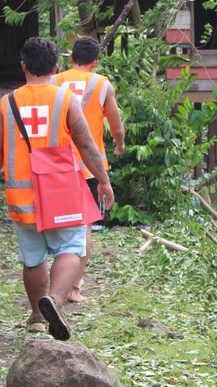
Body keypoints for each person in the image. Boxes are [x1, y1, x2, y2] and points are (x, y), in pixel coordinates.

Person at [0, 36, 115, 341]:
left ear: (23, 65)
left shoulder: (7, 103)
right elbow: (87, 145)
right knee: (73, 247)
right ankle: (56, 301)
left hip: (22, 197)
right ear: (55, 67)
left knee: (33, 257)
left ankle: (38, 316)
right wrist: (103, 181)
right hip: (61, 192)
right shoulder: (66, 100)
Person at [51, 36, 125, 303]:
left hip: (55, 166)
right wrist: (119, 144)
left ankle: (56, 282)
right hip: (89, 167)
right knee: (84, 226)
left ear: (70, 59)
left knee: (57, 223)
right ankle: (73, 288)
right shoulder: (101, 84)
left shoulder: (53, 82)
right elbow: (116, 125)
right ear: (95, 62)